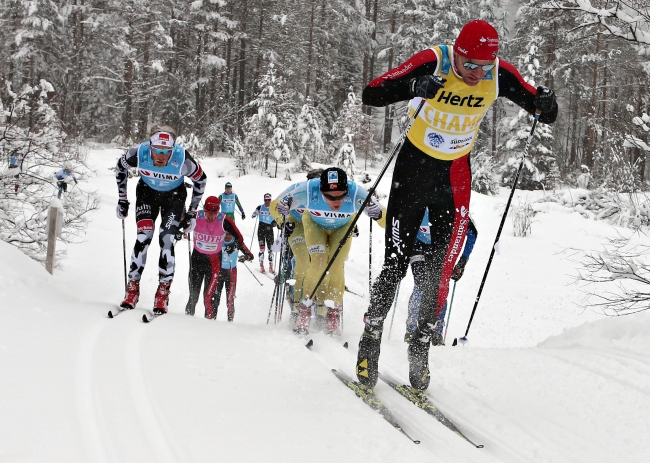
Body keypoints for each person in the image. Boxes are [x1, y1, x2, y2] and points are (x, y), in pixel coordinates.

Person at [355, 19, 558, 395]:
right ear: (456, 53)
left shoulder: (499, 74)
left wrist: (547, 104)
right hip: (414, 171)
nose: (475, 74)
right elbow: (372, 93)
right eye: (469, 65)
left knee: (438, 270)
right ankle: (371, 338)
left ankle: (420, 345)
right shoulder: (434, 60)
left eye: (484, 67)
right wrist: (413, 86)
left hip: (454, 178)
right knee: (396, 263)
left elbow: (543, 111)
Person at [276, 167, 386, 336]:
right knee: (318, 263)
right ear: (320, 190)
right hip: (314, 225)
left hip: (342, 228)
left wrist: (379, 215)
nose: (336, 201)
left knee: (335, 266)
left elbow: (388, 219)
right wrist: (282, 213)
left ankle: (332, 314)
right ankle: (303, 311)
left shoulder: (356, 192)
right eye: (329, 196)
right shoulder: (308, 189)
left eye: (341, 196)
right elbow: (276, 205)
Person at [115, 124, 208, 314]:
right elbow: (120, 167)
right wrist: (122, 200)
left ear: (173, 150)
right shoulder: (139, 153)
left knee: (166, 240)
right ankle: (132, 289)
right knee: (143, 237)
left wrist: (191, 212)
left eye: (166, 152)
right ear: (150, 146)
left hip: (173, 198)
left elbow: (201, 180)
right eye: (156, 150)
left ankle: (163, 293)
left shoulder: (183, 159)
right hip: (147, 193)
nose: (160, 155)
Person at [404, 209, 478, 344]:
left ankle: (436, 331)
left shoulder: (457, 211)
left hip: (440, 251)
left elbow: (472, 234)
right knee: (421, 284)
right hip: (418, 246)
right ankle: (411, 327)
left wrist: (462, 262)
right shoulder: (426, 204)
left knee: (440, 289)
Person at [269, 168, 324, 324]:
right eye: (313, 182)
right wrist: (282, 223)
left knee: (320, 264)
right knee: (299, 261)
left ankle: (322, 308)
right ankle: (296, 305)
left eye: (320, 182)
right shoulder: (297, 189)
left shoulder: (327, 194)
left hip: (316, 227)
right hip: (296, 224)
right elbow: (274, 205)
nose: (317, 186)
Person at [185, 196, 254, 319]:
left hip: (213, 263)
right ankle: (187, 323)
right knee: (193, 297)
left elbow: (239, 237)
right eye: (208, 213)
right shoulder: (196, 216)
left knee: (208, 299)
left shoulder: (224, 220)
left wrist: (245, 251)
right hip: (196, 260)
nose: (210, 217)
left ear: (218, 211)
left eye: (214, 214)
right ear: (204, 209)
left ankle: (210, 327)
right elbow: (180, 223)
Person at [214, 232, 249, 321]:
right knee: (215, 299)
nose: (227, 236)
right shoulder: (219, 241)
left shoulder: (237, 243)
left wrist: (244, 257)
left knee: (230, 301)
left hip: (231, 273)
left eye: (229, 234)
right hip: (219, 272)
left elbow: (250, 256)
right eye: (225, 234)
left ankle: (230, 322)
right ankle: (211, 320)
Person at [251, 193, 279, 274]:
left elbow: (278, 217)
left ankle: (271, 267)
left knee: (270, 250)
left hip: (269, 231)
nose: (267, 202)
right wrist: (255, 213)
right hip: (261, 231)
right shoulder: (260, 207)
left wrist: (275, 223)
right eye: (266, 200)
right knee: (262, 249)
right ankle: (261, 265)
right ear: (264, 200)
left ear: (271, 200)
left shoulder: (273, 208)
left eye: (269, 200)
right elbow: (253, 214)